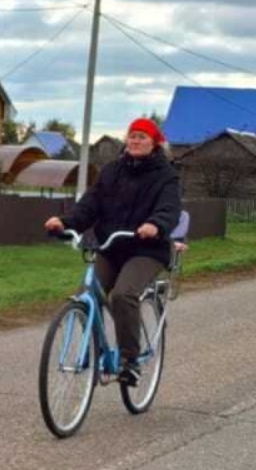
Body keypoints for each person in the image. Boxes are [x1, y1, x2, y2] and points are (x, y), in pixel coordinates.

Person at [44, 118, 182, 386]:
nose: (135, 141)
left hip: (147, 249)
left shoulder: (166, 175)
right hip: (111, 247)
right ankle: (97, 350)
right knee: (86, 296)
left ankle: (130, 361)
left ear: (154, 143)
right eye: (132, 136)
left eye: (142, 137)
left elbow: (169, 208)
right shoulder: (111, 171)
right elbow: (89, 205)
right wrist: (65, 223)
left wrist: (155, 224)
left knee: (123, 295)